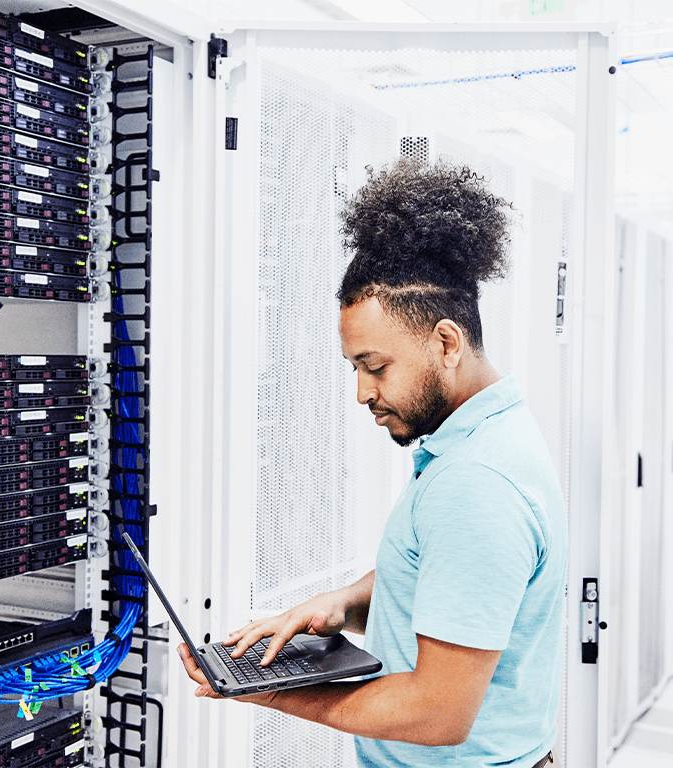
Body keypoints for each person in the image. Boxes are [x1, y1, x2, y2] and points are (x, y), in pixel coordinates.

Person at [179, 157, 567, 768]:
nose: (362, 392)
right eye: (356, 368)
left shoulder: (477, 484)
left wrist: (274, 691)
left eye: (375, 366)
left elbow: (438, 712)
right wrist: (346, 603)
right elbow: (451, 580)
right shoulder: (486, 436)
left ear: (445, 343)